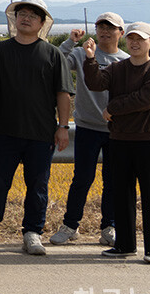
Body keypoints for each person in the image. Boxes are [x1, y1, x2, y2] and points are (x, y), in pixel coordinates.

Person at [0, 0, 73, 256]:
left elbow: (63, 93)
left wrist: (63, 126)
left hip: (41, 132)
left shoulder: (52, 53)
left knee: (38, 185)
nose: (26, 18)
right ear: (15, 20)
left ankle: (32, 232)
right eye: (21, 14)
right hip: (6, 130)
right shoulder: (1, 49)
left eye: (32, 16)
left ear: (41, 23)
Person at [82, 22, 150, 264]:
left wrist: (113, 108)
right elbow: (96, 83)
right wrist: (90, 59)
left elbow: (146, 98)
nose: (134, 42)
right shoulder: (117, 68)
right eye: (131, 38)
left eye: (140, 39)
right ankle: (124, 245)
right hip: (120, 138)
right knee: (121, 194)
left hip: (149, 138)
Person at [50, 13, 127, 247]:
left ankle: (109, 227)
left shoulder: (125, 60)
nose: (104, 31)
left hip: (117, 130)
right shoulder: (82, 53)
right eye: (100, 27)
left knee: (113, 181)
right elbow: (56, 63)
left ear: (120, 33)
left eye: (110, 28)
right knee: (82, 178)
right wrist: (70, 42)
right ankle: (70, 225)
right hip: (87, 127)